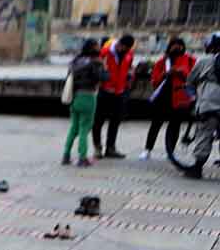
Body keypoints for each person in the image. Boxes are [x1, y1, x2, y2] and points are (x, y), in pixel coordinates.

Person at [140, 37, 196, 166]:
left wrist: (181, 73)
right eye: (174, 45)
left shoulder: (190, 60)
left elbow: (194, 77)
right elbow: (154, 80)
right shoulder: (162, 62)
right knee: (156, 124)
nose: (177, 48)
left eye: (179, 45)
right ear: (169, 47)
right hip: (163, 97)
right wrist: (165, 74)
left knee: (175, 125)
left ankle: (170, 151)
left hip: (180, 98)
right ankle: (147, 149)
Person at [183, 32, 220, 179]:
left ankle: (197, 168)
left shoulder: (204, 61)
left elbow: (190, 82)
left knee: (204, 134)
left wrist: (192, 96)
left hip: (209, 103)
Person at [63, 38, 104, 167]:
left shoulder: (75, 61)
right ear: (93, 48)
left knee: (73, 127)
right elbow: (102, 77)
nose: (100, 47)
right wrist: (105, 68)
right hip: (88, 97)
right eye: (97, 46)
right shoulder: (95, 62)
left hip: (74, 97)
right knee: (84, 128)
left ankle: (66, 155)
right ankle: (82, 158)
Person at [92, 34, 135, 158]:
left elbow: (129, 69)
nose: (124, 52)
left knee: (115, 121)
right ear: (119, 44)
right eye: (123, 49)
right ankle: (97, 148)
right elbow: (95, 71)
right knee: (98, 121)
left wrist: (129, 79)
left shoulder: (129, 54)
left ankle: (110, 148)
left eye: (127, 50)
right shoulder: (104, 53)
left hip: (120, 92)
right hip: (104, 91)